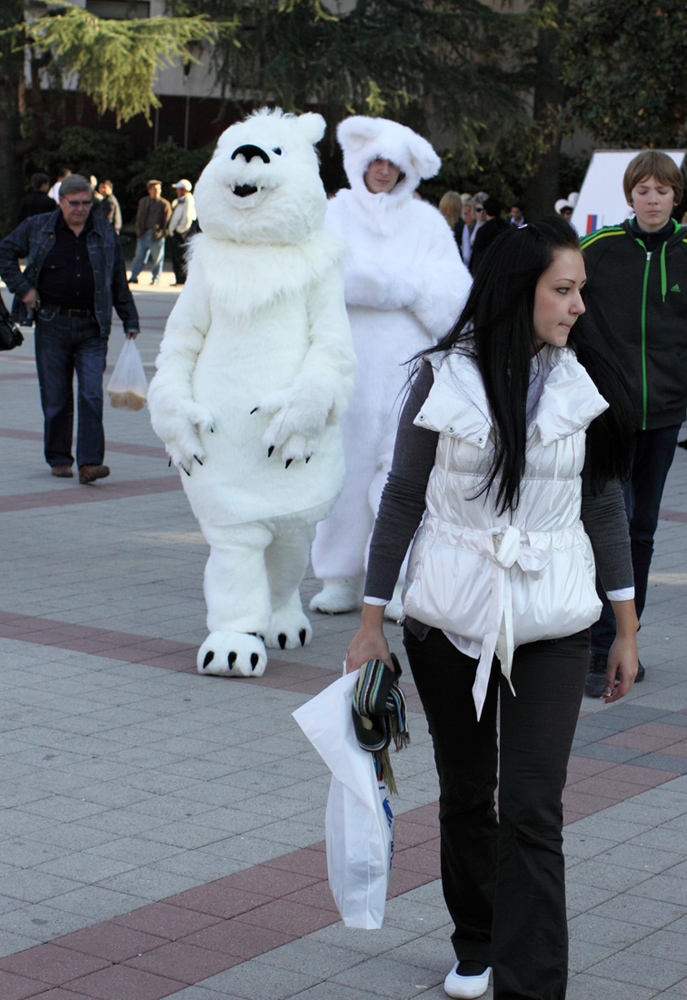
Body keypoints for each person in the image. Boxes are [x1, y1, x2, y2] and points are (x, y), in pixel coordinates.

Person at [346, 217, 638, 1000]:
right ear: (518, 292)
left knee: (533, 810)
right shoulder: (441, 376)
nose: (579, 305)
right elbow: (402, 495)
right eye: (563, 289)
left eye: (580, 289)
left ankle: (530, 984)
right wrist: (371, 622)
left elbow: (602, 504)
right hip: (447, 617)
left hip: (553, 621)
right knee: (468, 794)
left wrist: (626, 626)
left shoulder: (583, 379)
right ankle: (474, 940)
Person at [309, 115, 471, 619]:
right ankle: (337, 575)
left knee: (404, 479)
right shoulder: (333, 213)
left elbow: (453, 295)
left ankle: (397, 581)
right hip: (348, 365)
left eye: (392, 164)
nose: (382, 171)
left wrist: (388, 286)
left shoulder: (426, 222)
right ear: (360, 162)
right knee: (342, 476)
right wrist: (403, 285)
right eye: (374, 161)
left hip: (409, 370)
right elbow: (323, 275)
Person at [581, 150, 687, 696]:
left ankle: (628, 641)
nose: (651, 199)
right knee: (611, 524)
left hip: (665, 416)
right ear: (629, 196)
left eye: (661, 191)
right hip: (610, 415)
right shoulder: (598, 251)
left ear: (676, 197)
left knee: (643, 528)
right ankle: (600, 647)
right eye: (642, 190)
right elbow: (560, 300)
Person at [0, 174, 140, 484]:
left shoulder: (103, 231)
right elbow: (4, 252)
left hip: (92, 326)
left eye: (86, 203)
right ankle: (60, 458)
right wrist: (24, 289)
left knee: (91, 394)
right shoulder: (39, 227)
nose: (80, 209)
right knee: (56, 396)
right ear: (61, 201)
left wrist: (130, 319)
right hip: (52, 324)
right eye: (73, 203)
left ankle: (90, 463)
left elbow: (118, 279)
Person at [129, 179, 171, 286]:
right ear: (149, 190)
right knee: (139, 257)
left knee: (157, 259)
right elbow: (139, 217)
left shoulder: (164, 204)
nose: (157, 191)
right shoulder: (144, 202)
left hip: (156, 235)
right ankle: (134, 276)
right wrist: (138, 231)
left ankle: (155, 278)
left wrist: (162, 234)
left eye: (159, 189)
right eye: (155, 189)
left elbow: (167, 222)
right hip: (143, 233)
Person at [166, 179, 197, 286]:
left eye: (178, 189)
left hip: (180, 234)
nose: (177, 191)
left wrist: (179, 230)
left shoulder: (188, 200)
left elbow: (187, 218)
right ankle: (178, 279)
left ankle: (182, 280)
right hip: (174, 233)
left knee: (180, 258)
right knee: (175, 257)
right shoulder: (178, 201)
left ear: (184, 190)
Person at [469, 195, 510, 276]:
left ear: (485, 211)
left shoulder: (482, 231)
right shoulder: (509, 228)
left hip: (488, 274)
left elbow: (477, 258)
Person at [462, 190, 488, 269]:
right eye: (478, 210)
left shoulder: (490, 229)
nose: (482, 213)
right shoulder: (469, 228)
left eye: (484, 209)